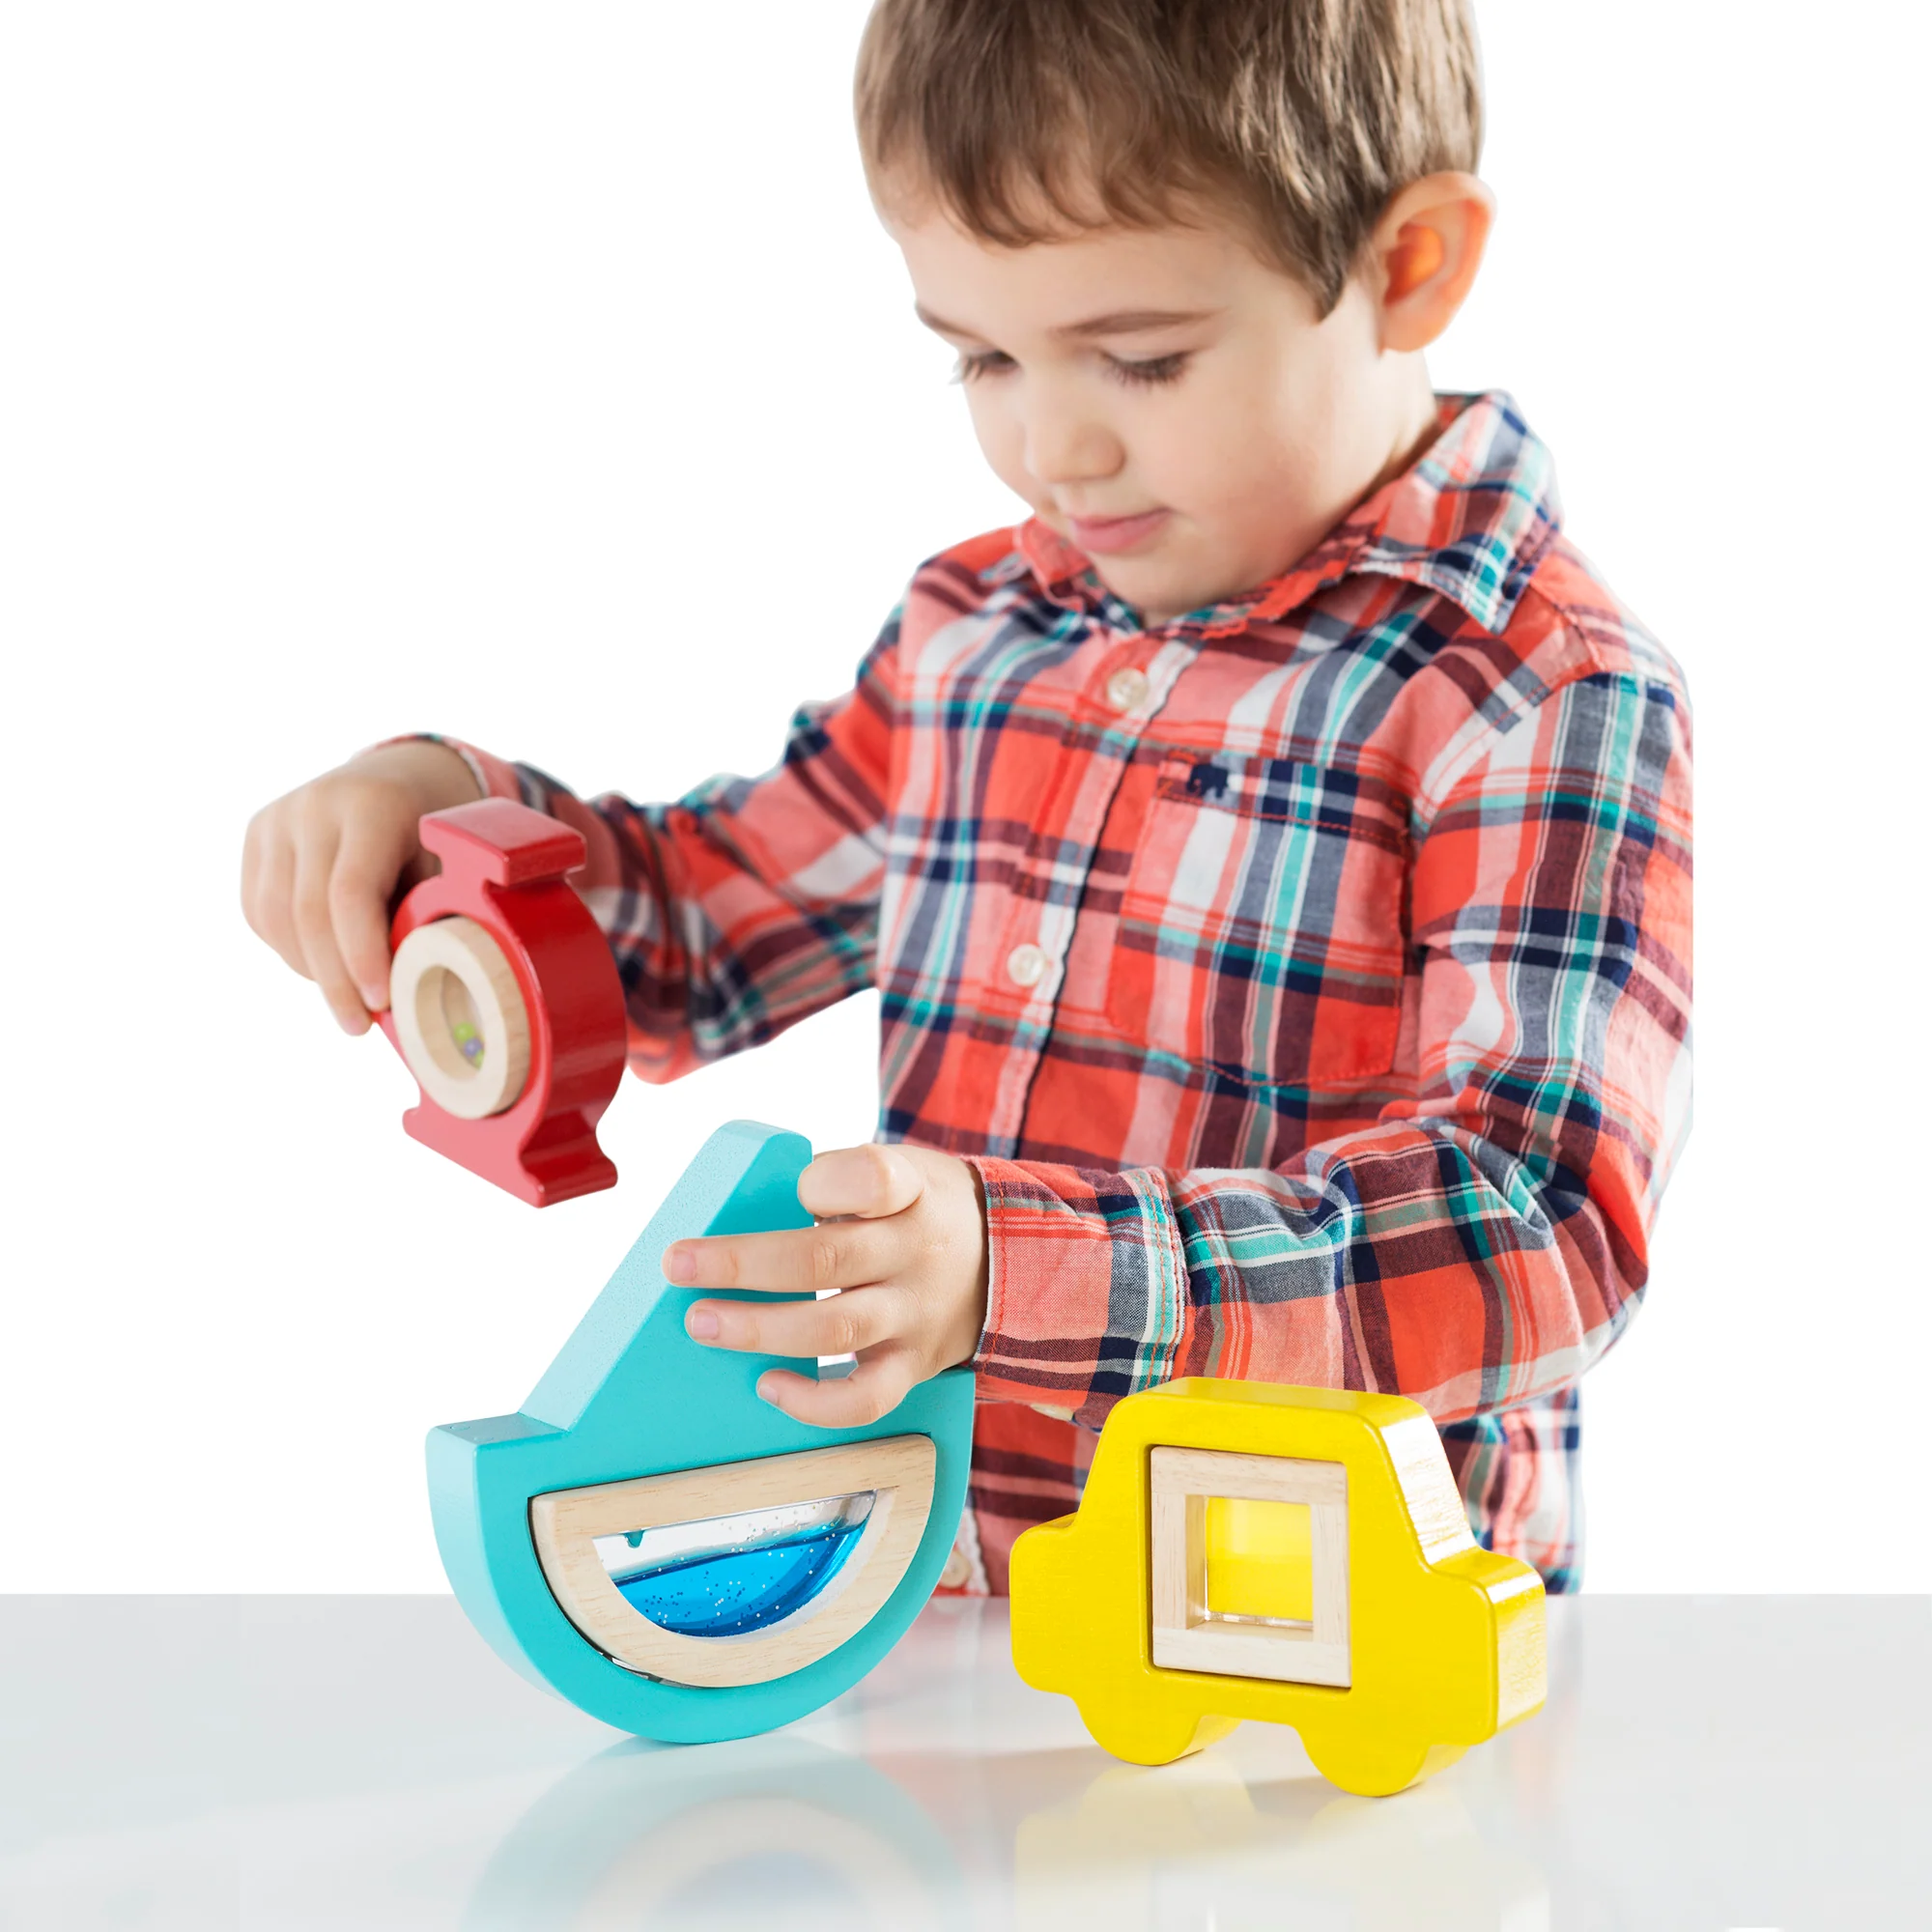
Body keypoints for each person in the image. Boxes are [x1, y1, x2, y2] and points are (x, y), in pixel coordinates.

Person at [242, 0, 1691, 1597]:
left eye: (1143, 359)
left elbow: (1538, 1228)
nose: (1051, 446)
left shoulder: (1532, 690)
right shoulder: (975, 635)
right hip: (942, 1608)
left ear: (1407, 266)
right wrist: (448, 827)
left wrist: (1020, 1268)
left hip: (1326, 1645)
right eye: (984, 357)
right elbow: (701, 935)